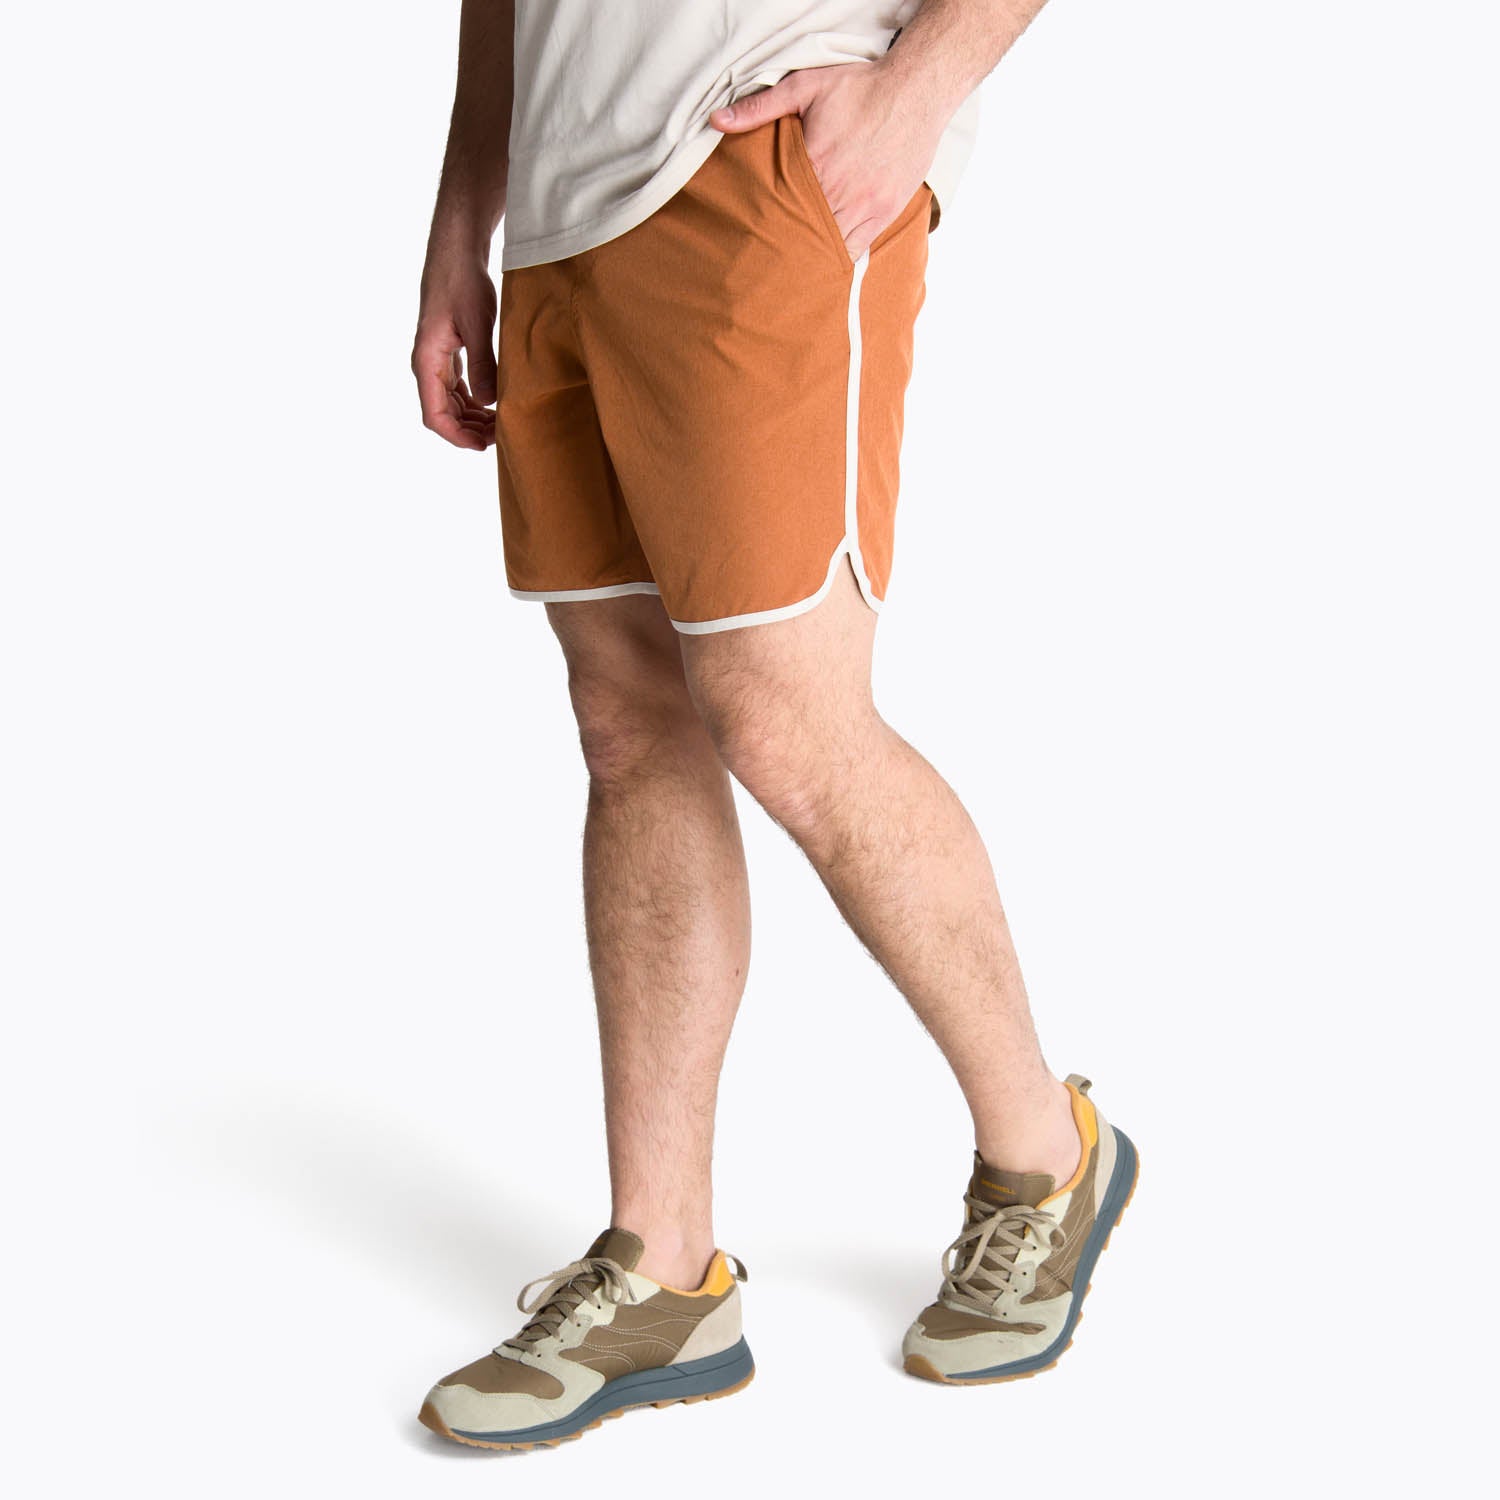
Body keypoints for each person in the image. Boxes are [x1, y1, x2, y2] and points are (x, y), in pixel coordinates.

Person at [412, 0, 1136, 1451]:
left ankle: (1047, 1157)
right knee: (629, 726)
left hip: (755, 157)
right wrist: (463, 226)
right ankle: (662, 1270)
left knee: (784, 716)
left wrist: (915, 91)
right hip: (564, 207)